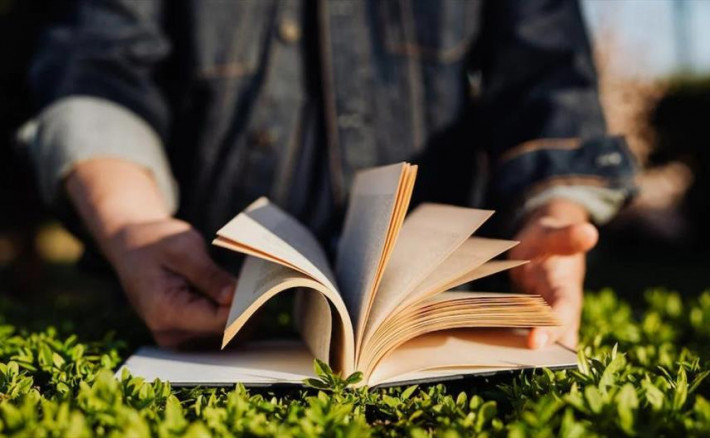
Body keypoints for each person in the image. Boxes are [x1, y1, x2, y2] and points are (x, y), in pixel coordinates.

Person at [20, 0, 636, 350]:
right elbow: (93, 64)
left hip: (429, 307)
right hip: (207, 296)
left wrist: (554, 212)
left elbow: (545, 72)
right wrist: (132, 226)